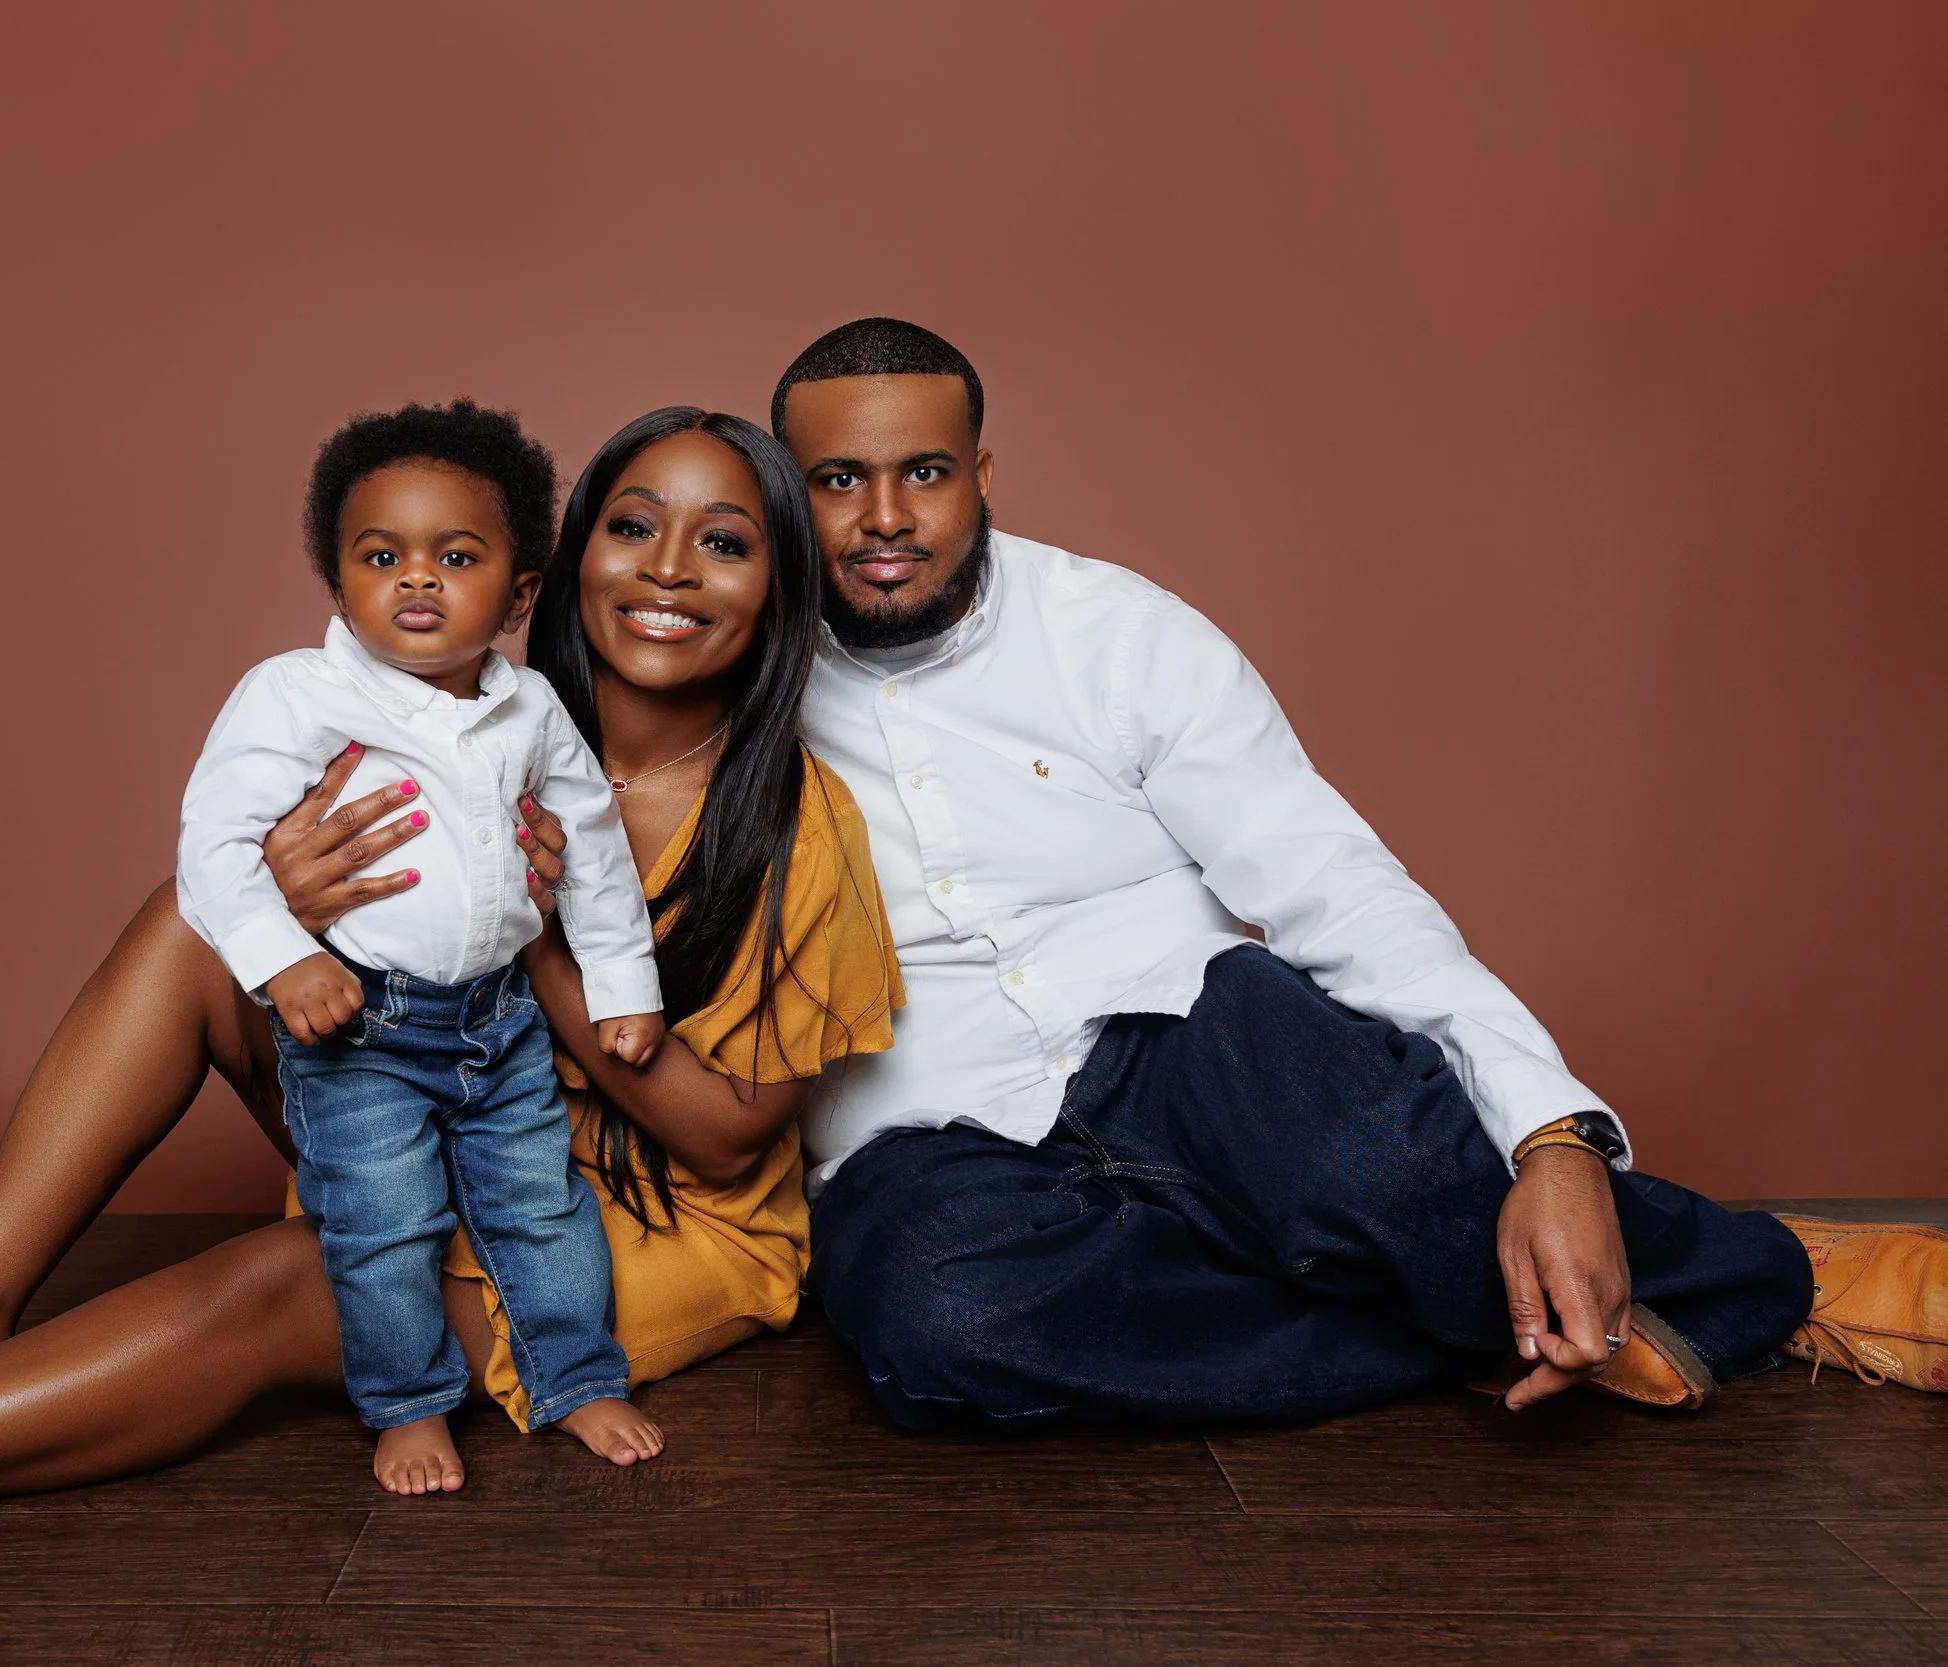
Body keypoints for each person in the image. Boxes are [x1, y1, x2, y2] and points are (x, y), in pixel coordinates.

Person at [0, 405, 902, 1630]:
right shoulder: (453, 710)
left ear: (775, 589)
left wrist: (525, 940)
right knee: (188, 913)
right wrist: (280, 895)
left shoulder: (791, 820)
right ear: (557, 564)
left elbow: (726, 1142)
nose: (667, 568)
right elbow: (261, 878)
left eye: (724, 541)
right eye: (632, 524)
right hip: (414, 1093)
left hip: (651, 1216)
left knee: (284, 1278)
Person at [776, 316, 1948, 1426]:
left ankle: (1748, 1274)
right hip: (925, 1110)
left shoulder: (1120, 636)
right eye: (838, 481)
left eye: (923, 472)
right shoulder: (734, 674)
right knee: (947, 1325)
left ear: (981, 472)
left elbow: (1333, 885)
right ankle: (1591, 1302)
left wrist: (1551, 1135)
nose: (885, 516)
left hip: (1182, 1029)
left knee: (1379, 1166)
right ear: (785, 490)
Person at [178, 400, 668, 1488]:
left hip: (500, 1022)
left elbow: (588, 846)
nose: (416, 579)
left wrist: (623, 983)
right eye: (381, 555)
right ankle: (406, 1402)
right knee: (384, 1223)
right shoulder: (298, 695)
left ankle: (578, 1378)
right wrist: (283, 957)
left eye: (455, 555)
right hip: (362, 1021)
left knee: (540, 1206)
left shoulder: (531, 709)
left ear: (520, 591)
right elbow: (211, 842)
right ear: (339, 583)